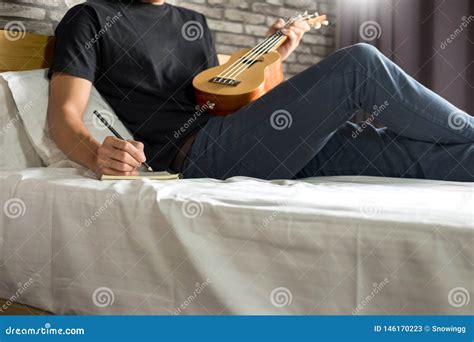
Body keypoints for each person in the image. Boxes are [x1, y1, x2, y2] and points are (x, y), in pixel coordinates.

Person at [47, 0, 473, 181]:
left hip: (241, 141)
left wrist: (272, 60)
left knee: (398, 152)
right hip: (196, 157)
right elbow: (63, 117)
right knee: (359, 64)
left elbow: (223, 105)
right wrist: (95, 154)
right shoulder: (89, 18)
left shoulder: (192, 22)